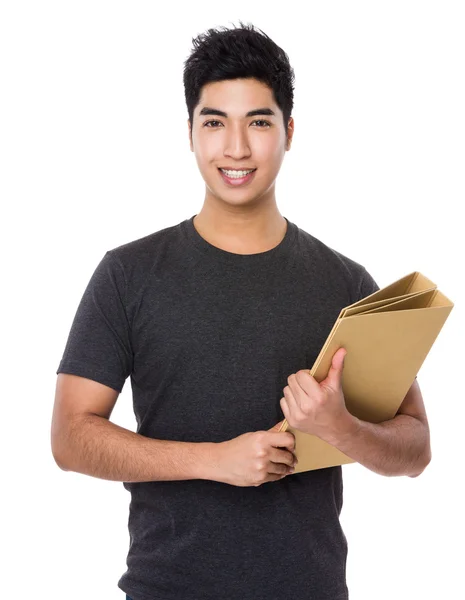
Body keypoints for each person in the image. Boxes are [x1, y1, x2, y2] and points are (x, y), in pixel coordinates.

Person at [51, 21, 431, 600]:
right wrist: (215, 460)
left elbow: (415, 450)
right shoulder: (127, 274)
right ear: (190, 133)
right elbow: (71, 439)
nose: (236, 148)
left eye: (258, 122)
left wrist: (341, 428)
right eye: (214, 123)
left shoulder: (346, 284)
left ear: (289, 132)